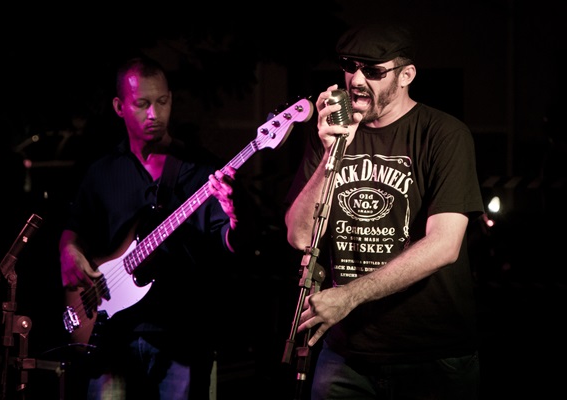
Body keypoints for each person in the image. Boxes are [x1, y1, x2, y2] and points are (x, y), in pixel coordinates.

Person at [284, 21, 484, 400]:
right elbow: (298, 235)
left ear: (406, 74)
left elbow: (444, 244)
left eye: (373, 71)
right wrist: (330, 155)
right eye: (349, 65)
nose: (356, 80)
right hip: (346, 353)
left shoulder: (443, 134)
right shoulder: (332, 133)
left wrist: (349, 296)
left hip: (431, 356)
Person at [59, 55, 255, 399]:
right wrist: (68, 251)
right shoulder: (102, 172)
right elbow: (73, 228)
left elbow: (230, 243)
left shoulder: (200, 170)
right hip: (109, 334)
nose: (154, 114)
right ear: (119, 107)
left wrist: (235, 215)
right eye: (143, 104)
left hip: (179, 335)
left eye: (162, 102)